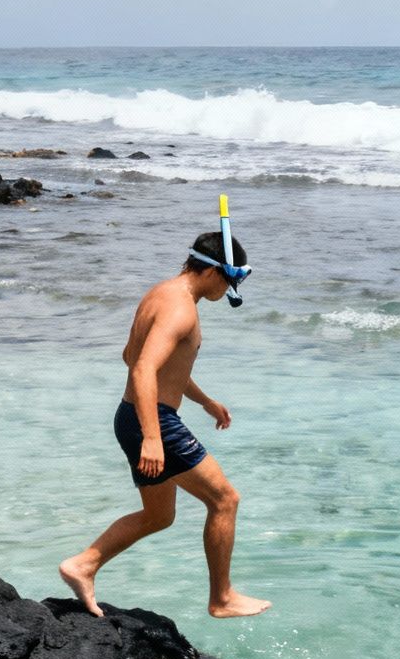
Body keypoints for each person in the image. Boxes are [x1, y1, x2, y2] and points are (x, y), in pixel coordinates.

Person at [60, 232, 271, 619]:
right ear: (211, 271)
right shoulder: (181, 310)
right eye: (228, 281)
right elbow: (142, 368)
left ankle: (83, 565)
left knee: (159, 516)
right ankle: (221, 598)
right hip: (152, 421)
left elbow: (136, 357)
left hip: (131, 416)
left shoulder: (160, 294)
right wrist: (154, 437)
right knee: (225, 500)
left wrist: (204, 401)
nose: (227, 291)